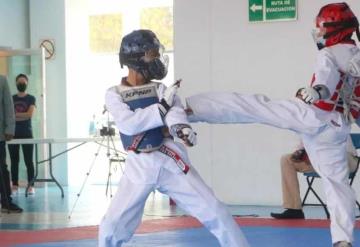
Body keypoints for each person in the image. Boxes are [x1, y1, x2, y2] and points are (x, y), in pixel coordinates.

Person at [185, 3, 360, 247]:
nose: (318, 34)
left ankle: (192, 109)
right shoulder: (356, 57)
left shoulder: (328, 54)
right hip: (335, 129)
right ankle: (342, 241)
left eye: (320, 29)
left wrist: (317, 91)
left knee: (256, 107)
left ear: (334, 29)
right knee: (337, 185)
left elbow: (325, 79)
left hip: (310, 115)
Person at [98, 30, 249, 247]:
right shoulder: (114, 94)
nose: (157, 59)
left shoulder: (161, 89)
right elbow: (129, 124)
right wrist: (161, 108)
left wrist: (181, 130)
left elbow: (175, 113)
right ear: (135, 59)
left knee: (215, 211)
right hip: (138, 166)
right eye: (151, 55)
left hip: (169, 160)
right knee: (111, 228)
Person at [270, 136, 358, 219]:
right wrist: (299, 153)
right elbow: (303, 146)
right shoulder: (307, 124)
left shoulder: (333, 120)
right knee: (286, 159)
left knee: (329, 155)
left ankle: (340, 209)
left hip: (345, 158)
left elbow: (333, 145)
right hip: (319, 160)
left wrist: (313, 155)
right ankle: (294, 209)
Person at [7, 74, 36, 195]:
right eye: (19, 82)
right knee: (14, 161)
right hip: (12, 134)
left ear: (27, 83)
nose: (21, 84)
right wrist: (21, 115)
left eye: (23, 82)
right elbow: (9, 115)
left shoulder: (31, 98)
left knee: (29, 161)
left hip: (27, 134)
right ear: (16, 83)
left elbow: (30, 114)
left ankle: (30, 186)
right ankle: (14, 185)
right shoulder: (11, 98)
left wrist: (15, 115)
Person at [0, 75, 23, 213]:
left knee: (2, 168)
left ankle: (6, 201)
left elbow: (8, 104)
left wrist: (10, 128)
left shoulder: (2, 80)